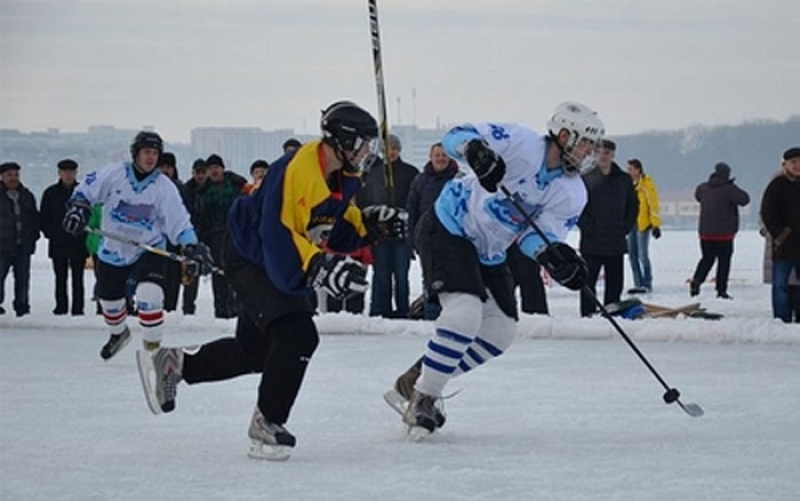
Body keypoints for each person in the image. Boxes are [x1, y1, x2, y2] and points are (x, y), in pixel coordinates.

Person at [136, 101, 406, 460]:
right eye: (364, 143)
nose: (368, 151)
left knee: (259, 351)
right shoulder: (298, 172)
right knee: (297, 335)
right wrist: (318, 268)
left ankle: (175, 364)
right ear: (342, 140)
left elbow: (326, 225)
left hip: (268, 256)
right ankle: (267, 423)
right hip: (251, 255)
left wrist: (368, 227)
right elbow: (277, 233)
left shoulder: (341, 174)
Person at [386, 101, 603, 439]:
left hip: (490, 249)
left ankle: (416, 380)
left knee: (500, 332)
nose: (591, 152)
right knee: (464, 313)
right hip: (449, 226)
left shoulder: (573, 193)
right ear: (564, 135)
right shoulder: (520, 141)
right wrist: (475, 150)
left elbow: (533, 238)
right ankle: (423, 399)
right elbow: (454, 136)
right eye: (587, 142)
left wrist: (553, 256)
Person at [62, 131, 213, 360]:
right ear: (136, 154)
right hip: (113, 249)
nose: (151, 158)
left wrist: (192, 246)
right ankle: (118, 334)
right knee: (110, 303)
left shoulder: (164, 187)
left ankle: (153, 351)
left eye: (155, 153)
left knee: (149, 295)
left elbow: (178, 221)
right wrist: (78, 209)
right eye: (146, 152)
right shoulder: (114, 174)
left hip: (148, 248)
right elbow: (85, 192)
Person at [357, 133, 418, 318]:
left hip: (401, 234)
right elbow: (364, 199)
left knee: (401, 275)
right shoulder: (373, 173)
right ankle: (379, 309)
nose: (391, 152)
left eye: (394, 148)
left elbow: (414, 201)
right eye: (387, 148)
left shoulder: (410, 172)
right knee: (381, 273)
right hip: (380, 233)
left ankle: (402, 309)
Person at [577, 139, 638, 317]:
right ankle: (588, 315)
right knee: (588, 282)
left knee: (615, 282)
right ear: (594, 154)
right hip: (592, 240)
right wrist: (588, 227)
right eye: (600, 152)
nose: (603, 156)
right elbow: (577, 206)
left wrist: (625, 226)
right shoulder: (586, 179)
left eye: (607, 153)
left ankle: (612, 314)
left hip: (615, 239)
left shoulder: (623, 179)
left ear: (613, 155)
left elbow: (633, 205)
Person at [406, 142, 460, 320]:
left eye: (444, 155)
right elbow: (412, 210)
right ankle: (431, 314)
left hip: (453, 239)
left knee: (455, 279)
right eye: (437, 155)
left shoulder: (459, 180)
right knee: (430, 278)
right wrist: (412, 238)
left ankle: (452, 316)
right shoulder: (420, 180)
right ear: (431, 157)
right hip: (427, 238)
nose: (441, 159)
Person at [195, 153, 247, 318]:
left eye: (216, 167)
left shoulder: (236, 186)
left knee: (235, 272)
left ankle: (238, 309)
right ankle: (221, 309)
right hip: (214, 236)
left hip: (234, 235)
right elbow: (200, 217)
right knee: (218, 273)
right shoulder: (203, 192)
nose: (214, 171)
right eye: (210, 168)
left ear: (223, 169)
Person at [689, 162, 750, 299]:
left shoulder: (702, 188)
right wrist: (732, 185)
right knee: (724, 261)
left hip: (705, 232)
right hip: (724, 233)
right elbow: (745, 199)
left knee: (707, 258)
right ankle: (721, 290)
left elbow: (698, 197)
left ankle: (697, 280)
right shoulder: (728, 189)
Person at [40, 159, 89, 315]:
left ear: (75, 173)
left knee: (78, 279)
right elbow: (44, 217)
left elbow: (89, 214)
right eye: (65, 172)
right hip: (58, 242)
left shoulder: (83, 192)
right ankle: (61, 307)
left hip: (78, 241)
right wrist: (51, 234)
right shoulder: (50, 193)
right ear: (59, 173)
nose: (68, 175)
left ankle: (77, 308)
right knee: (60, 278)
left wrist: (83, 233)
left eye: (71, 172)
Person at [760, 147, 800, 322]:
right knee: (780, 285)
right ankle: (781, 319)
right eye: (794, 162)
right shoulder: (777, 185)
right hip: (784, 245)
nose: (797, 166)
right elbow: (767, 213)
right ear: (785, 164)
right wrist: (781, 235)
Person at [0, 161, 40, 317]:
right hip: (2, 246)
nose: (13, 178)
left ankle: (22, 306)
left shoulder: (26, 195)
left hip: (22, 246)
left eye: (16, 174)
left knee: (23, 280)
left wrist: (33, 236)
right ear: (2, 176)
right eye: (9, 175)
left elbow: (35, 218)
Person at [157, 152, 190, 312]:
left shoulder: (181, 188)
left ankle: (170, 308)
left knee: (172, 276)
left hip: (173, 241)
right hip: (154, 240)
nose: (165, 170)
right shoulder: (151, 188)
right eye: (162, 166)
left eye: (168, 167)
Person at [626, 158, 661, 294]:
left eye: (630, 169)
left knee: (643, 255)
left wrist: (655, 224)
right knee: (632, 256)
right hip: (630, 224)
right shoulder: (627, 185)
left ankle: (647, 283)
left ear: (638, 170)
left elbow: (653, 205)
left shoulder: (646, 185)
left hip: (643, 224)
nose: (628, 172)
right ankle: (638, 283)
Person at [181, 158, 208, 315]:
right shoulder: (187, 189)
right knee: (190, 273)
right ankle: (188, 309)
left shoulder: (210, 190)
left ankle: (225, 311)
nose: (200, 176)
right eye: (198, 172)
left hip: (209, 234)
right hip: (191, 235)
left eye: (203, 172)